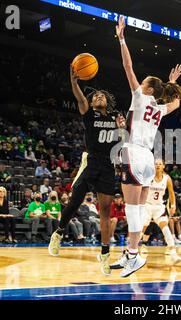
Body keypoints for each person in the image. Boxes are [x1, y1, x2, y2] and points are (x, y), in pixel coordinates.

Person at [111, 15, 181, 277]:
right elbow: (176, 103)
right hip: (147, 156)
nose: (138, 82)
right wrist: (173, 83)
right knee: (139, 208)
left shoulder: (140, 97)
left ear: (147, 89)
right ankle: (130, 253)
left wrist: (122, 38)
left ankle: (133, 256)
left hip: (134, 153)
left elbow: (127, 65)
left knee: (132, 208)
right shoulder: (159, 107)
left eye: (142, 82)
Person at [48, 62, 126, 276]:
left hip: (108, 166)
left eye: (102, 96)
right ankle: (59, 232)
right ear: (92, 103)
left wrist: (122, 129)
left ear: (107, 101)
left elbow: (122, 143)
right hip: (90, 162)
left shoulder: (115, 118)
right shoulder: (89, 114)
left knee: (105, 210)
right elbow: (80, 98)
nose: (99, 97)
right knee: (74, 202)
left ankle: (105, 254)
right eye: (95, 96)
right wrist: (74, 84)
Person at [140, 159, 181, 264]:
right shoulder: (148, 177)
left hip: (159, 207)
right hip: (147, 206)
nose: (158, 165)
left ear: (163, 166)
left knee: (165, 228)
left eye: (160, 164)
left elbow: (171, 193)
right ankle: (130, 251)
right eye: (156, 164)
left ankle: (173, 253)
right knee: (142, 228)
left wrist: (173, 205)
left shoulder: (167, 178)